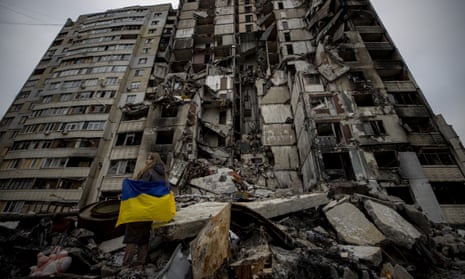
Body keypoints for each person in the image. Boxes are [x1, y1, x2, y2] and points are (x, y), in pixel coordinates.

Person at [122, 152, 168, 267]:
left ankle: (126, 263)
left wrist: (129, 185)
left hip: (140, 207)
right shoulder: (163, 176)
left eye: (148, 159)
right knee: (144, 236)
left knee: (131, 236)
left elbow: (141, 188)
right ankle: (140, 263)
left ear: (153, 160)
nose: (146, 161)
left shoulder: (148, 172)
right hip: (151, 210)